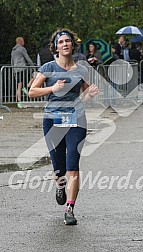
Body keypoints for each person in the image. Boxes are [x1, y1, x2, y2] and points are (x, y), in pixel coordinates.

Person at [28, 28, 99, 225]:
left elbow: (85, 97)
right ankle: (60, 185)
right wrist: (53, 88)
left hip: (76, 119)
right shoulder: (48, 68)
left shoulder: (82, 70)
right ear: (56, 47)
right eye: (61, 42)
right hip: (53, 120)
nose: (65, 44)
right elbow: (31, 92)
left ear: (72, 45)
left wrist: (90, 94)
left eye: (68, 41)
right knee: (59, 167)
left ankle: (70, 208)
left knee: (73, 166)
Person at [11, 37, 34, 106]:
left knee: (19, 86)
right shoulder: (22, 49)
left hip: (15, 69)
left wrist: (13, 70)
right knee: (33, 76)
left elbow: (12, 61)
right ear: (20, 42)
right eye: (23, 41)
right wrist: (33, 67)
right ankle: (26, 87)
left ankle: (19, 103)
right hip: (22, 68)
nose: (24, 43)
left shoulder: (13, 50)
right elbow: (27, 58)